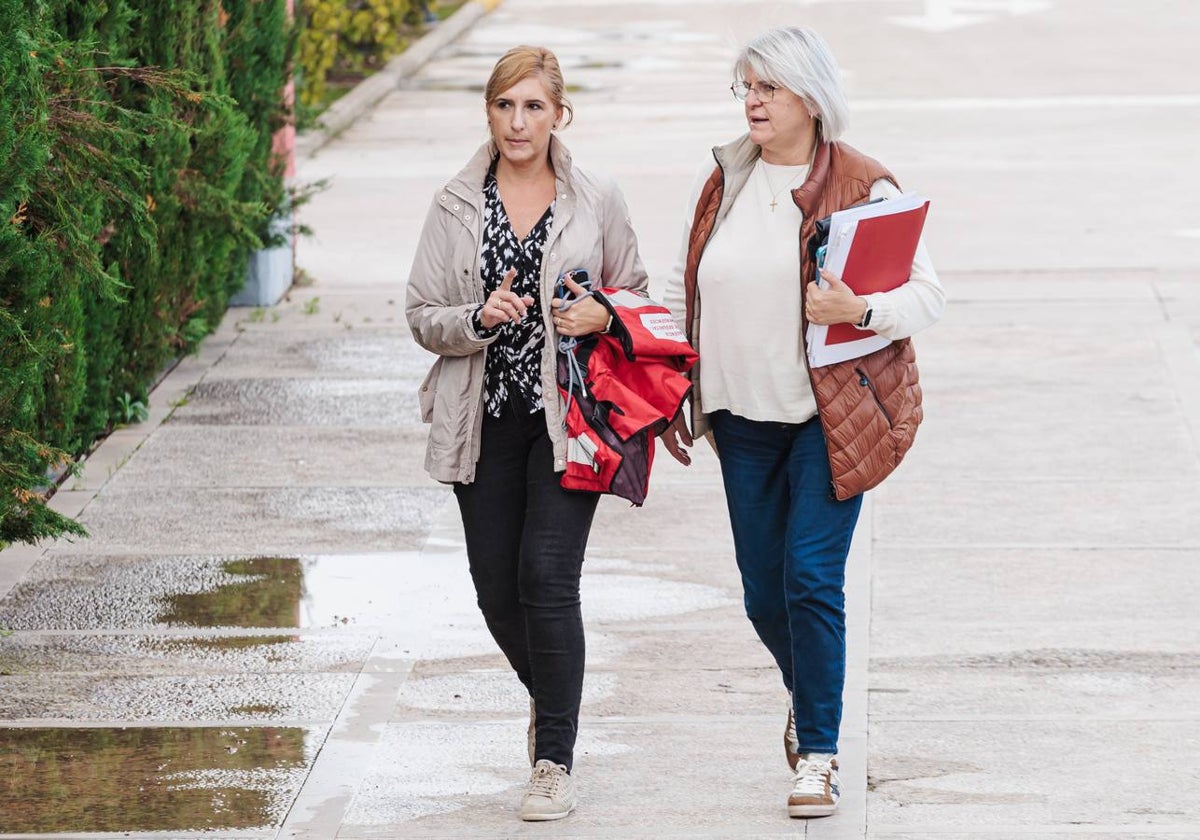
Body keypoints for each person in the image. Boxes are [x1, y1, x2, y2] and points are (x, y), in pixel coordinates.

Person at [660, 26, 945, 819]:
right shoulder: (725, 180)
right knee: (761, 593)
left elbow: (928, 294)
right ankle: (808, 690)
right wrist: (675, 390)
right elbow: (691, 290)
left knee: (811, 580)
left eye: (767, 87)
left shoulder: (863, 185)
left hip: (829, 420)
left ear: (810, 99)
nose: (750, 100)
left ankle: (819, 753)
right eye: (744, 87)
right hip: (740, 418)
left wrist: (859, 309)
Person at [405, 45, 648, 821]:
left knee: (548, 579)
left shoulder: (593, 196)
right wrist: (476, 319)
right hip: (482, 420)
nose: (519, 122)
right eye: (505, 106)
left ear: (558, 114)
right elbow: (420, 315)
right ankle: (552, 700)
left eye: (534, 107)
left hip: (567, 417)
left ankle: (554, 759)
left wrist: (601, 314)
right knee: (496, 594)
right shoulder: (454, 204)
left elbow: (637, 293)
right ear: (488, 111)